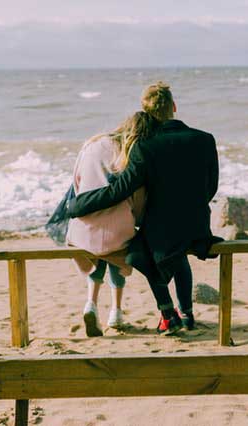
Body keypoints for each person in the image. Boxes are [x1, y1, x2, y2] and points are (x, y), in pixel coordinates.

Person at [67, 82, 221, 336]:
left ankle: (167, 313)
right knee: (178, 251)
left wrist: (79, 204)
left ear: (145, 111)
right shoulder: (204, 139)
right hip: (198, 226)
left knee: (137, 254)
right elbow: (211, 187)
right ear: (174, 106)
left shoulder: (145, 146)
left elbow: (120, 190)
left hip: (162, 231)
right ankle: (187, 313)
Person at [66, 112, 158, 337]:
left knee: (96, 251)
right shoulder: (131, 154)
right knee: (119, 245)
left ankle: (91, 303)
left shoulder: (92, 144)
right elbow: (138, 200)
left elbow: (76, 184)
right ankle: (116, 311)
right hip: (116, 233)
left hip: (83, 231)